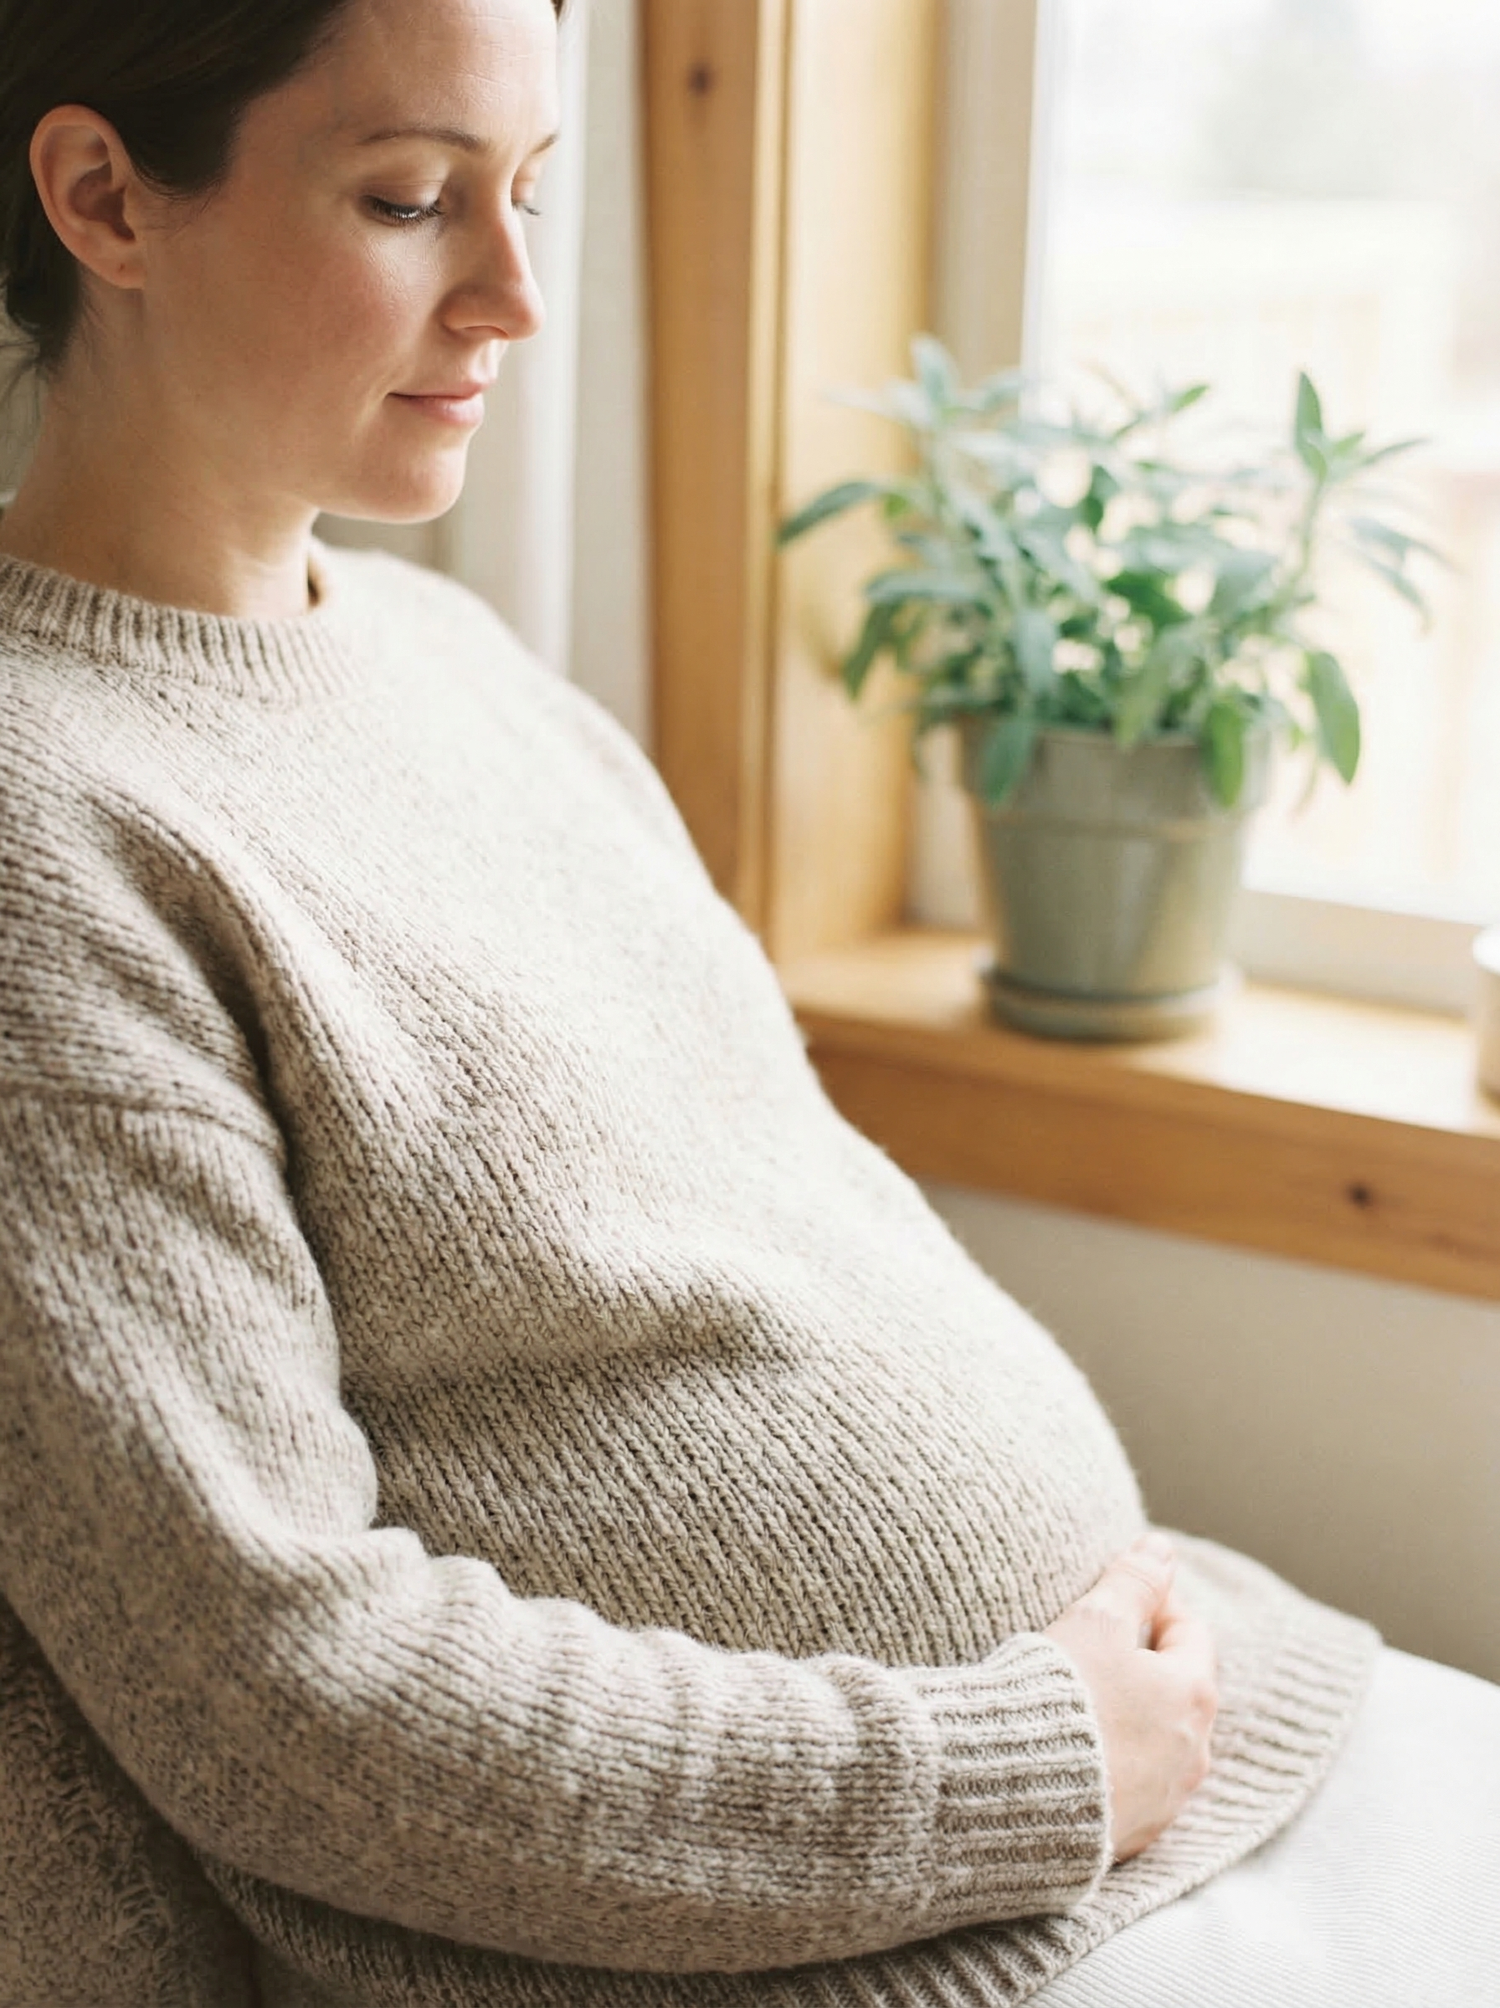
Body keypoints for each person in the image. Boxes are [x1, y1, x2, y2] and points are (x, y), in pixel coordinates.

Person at [0, 2, 1494, 2004]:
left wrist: (1092, 1719)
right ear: (106, 199)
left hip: (1172, 1746)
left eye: (531, 193)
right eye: (412, 199)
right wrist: (1027, 1768)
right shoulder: (46, 834)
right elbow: (281, 1694)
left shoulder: (455, 657)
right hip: (861, 1926)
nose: (516, 296)